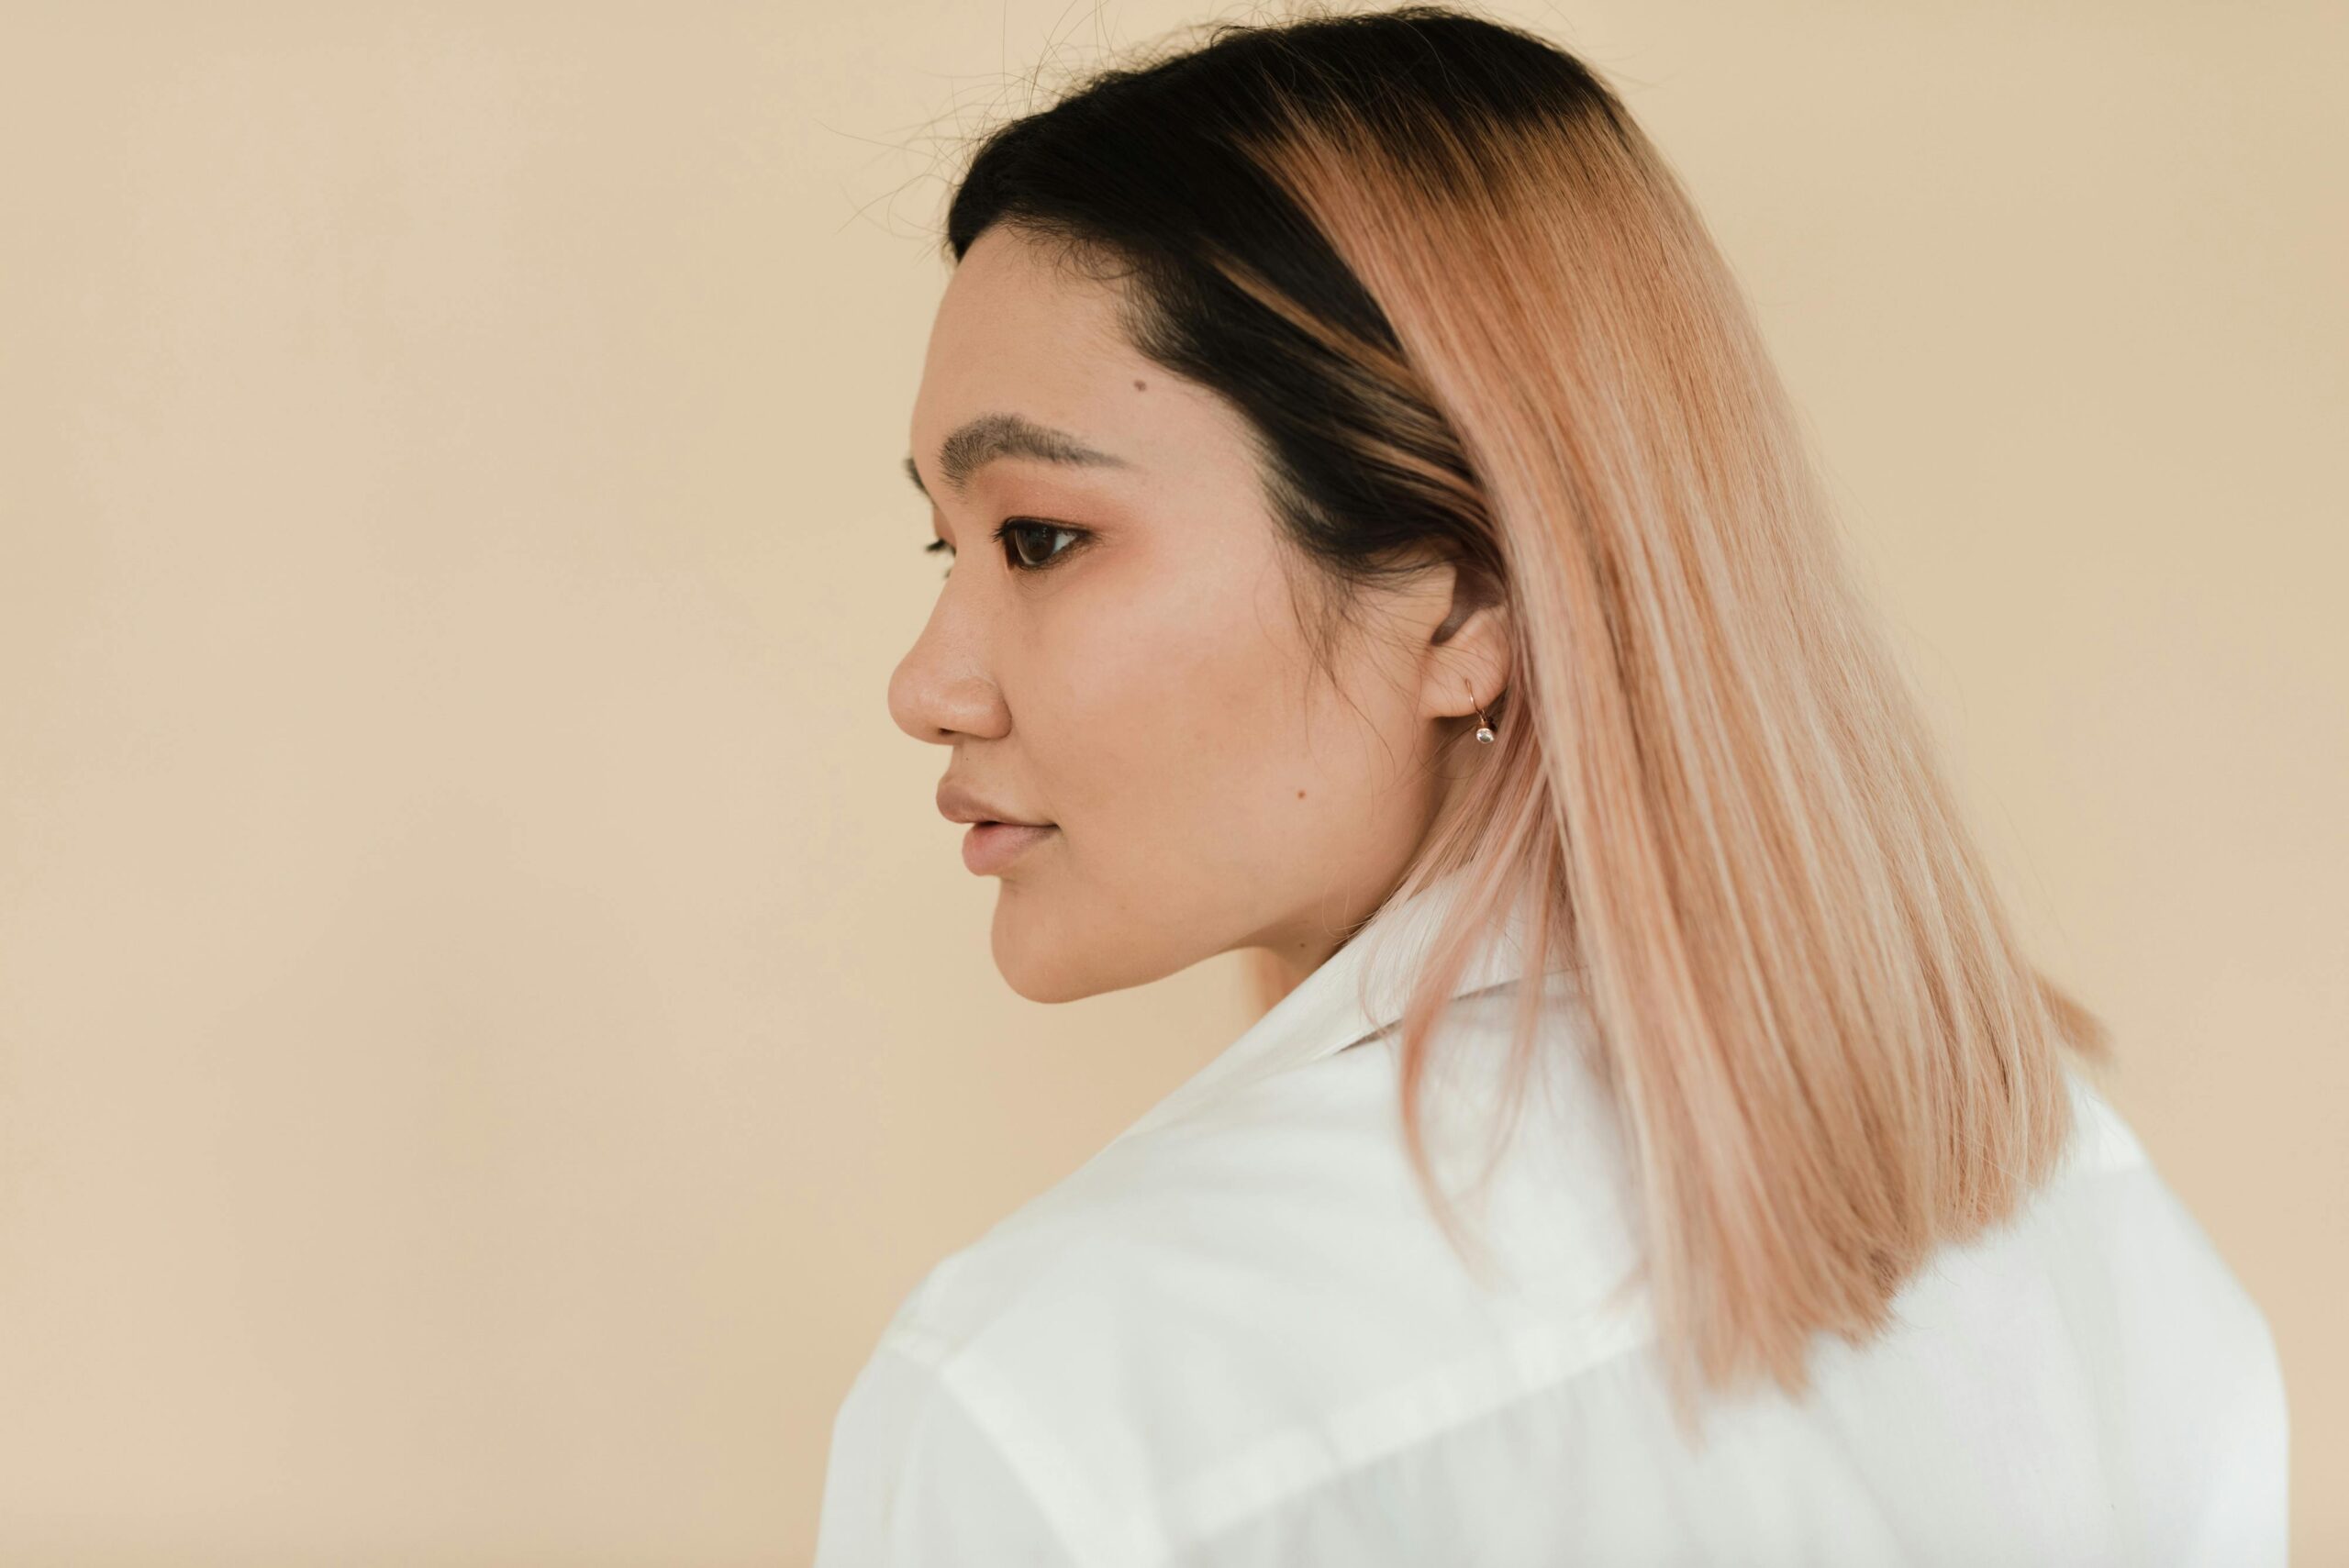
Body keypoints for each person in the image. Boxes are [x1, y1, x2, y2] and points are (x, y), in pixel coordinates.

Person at [817, 7, 2289, 1563]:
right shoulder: (2066, 1201)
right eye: (947, 542)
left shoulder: (1054, 1402)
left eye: (1039, 538)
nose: (927, 686)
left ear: (1460, 600)